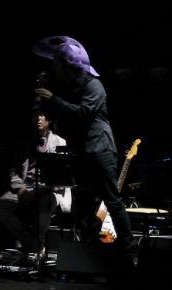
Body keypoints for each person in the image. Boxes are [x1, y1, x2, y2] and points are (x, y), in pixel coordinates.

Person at [33, 36, 135, 273]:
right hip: (85, 151)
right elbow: (61, 115)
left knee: (112, 200)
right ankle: (89, 251)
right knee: (86, 200)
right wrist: (45, 100)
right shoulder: (74, 88)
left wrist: (53, 98)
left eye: (59, 65)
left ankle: (128, 250)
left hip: (101, 149)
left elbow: (82, 114)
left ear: (70, 67)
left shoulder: (94, 86)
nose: (56, 69)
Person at [0, 112, 69, 261]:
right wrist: (20, 188)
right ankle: (33, 244)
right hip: (25, 187)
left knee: (46, 201)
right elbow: (13, 170)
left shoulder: (60, 142)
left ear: (49, 120)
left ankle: (35, 244)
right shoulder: (25, 142)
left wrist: (40, 189)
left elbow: (61, 178)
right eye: (35, 116)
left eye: (42, 116)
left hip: (48, 189)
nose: (38, 119)